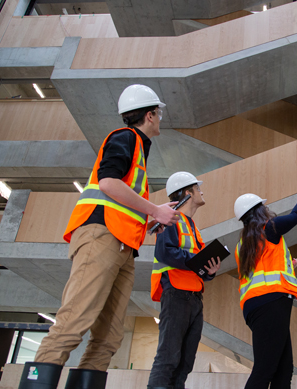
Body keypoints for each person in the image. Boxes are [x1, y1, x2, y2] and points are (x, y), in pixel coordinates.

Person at [19, 84, 180, 389]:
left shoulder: (138, 149)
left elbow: (123, 202)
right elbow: (108, 183)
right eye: (158, 113)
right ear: (150, 115)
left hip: (121, 243)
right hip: (101, 236)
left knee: (109, 335)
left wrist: (149, 219)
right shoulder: (126, 137)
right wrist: (155, 211)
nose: (160, 119)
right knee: (74, 319)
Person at [148, 171, 221, 389]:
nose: (201, 191)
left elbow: (195, 265)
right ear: (187, 193)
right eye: (197, 188)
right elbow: (167, 253)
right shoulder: (170, 220)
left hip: (194, 298)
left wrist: (209, 270)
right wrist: (198, 261)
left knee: (185, 363)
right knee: (168, 358)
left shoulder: (193, 227)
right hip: (176, 294)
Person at [234, 187, 297, 389]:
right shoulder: (269, 228)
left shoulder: (243, 243)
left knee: (284, 369)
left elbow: (261, 267)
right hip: (271, 303)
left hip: (258, 306)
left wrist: (290, 266)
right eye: (264, 206)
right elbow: (295, 216)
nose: (267, 209)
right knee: (266, 369)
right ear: (258, 210)